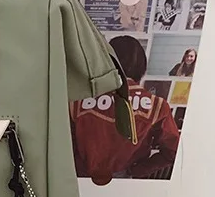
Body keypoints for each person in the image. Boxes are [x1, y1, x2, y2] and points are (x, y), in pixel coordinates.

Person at [70, 35, 181, 184]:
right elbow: (173, 151)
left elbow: (61, 143)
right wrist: (136, 171)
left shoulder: (76, 100)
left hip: (79, 175)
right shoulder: (158, 106)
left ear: (104, 61)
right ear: (142, 66)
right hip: (125, 178)